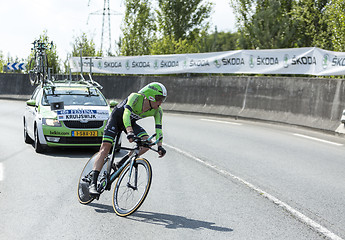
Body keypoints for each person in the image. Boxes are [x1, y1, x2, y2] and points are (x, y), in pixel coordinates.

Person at [89, 82, 167, 196]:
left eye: (163, 99)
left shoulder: (158, 111)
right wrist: (129, 132)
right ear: (150, 95)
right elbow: (126, 114)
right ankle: (93, 183)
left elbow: (159, 129)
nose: (160, 102)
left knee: (147, 144)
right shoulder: (135, 97)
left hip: (130, 123)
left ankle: (121, 162)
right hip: (116, 119)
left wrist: (160, 146)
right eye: (159, 98)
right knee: (105, 149)